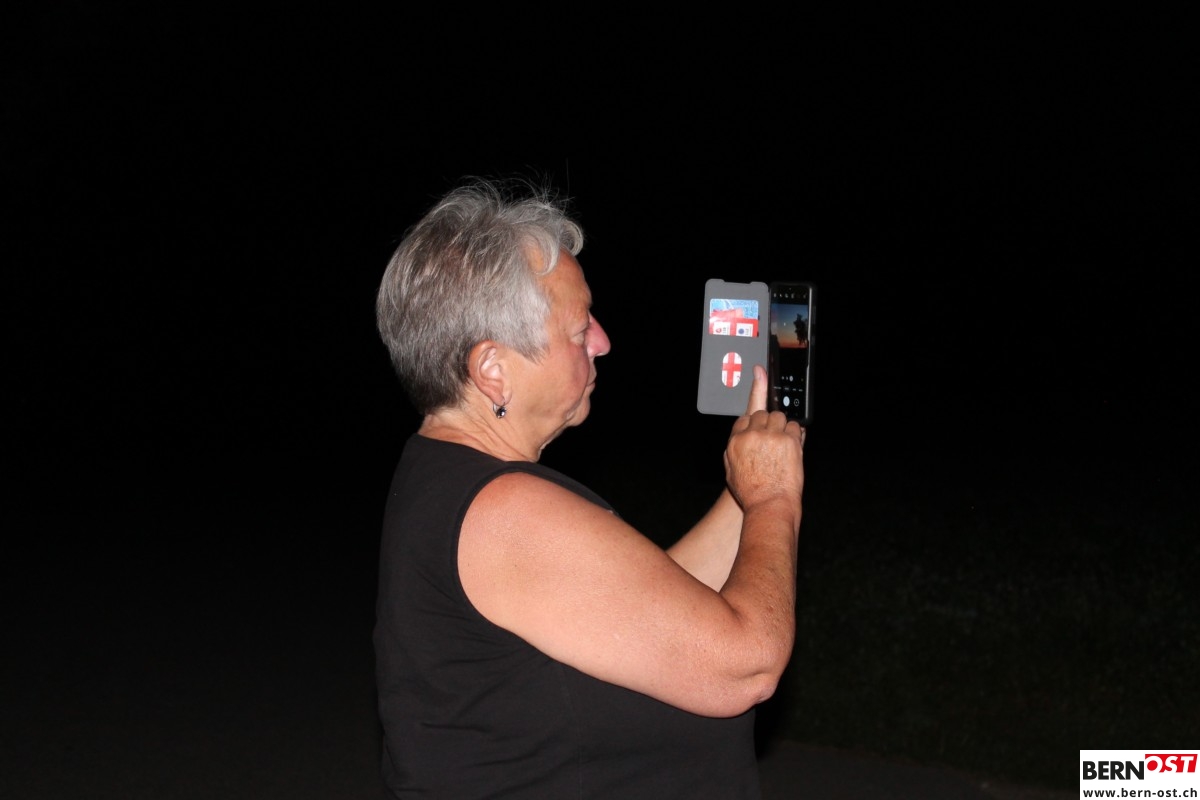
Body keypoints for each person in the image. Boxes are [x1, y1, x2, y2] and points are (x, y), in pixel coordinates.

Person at [373, 176, 806, 799]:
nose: (602, 341)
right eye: (579, 330)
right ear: (492, 370)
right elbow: (746, 667)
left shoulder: (446, 479)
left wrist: (753, 483)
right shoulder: (506, 513)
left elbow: (651, 606)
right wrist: (774, 501)